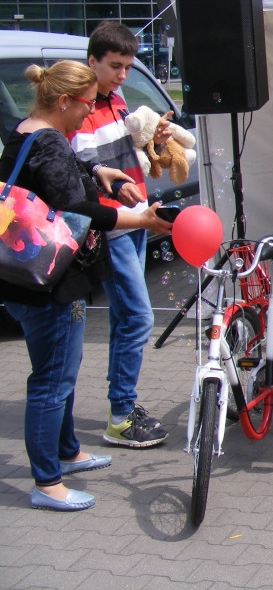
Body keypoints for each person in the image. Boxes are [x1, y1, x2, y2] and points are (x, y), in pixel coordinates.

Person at [0, 61, 171, 511]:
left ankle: (67, 450)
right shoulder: (50, 140)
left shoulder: (27, 130)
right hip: (50, 284)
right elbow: (73, 204)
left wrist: (101, 173)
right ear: (64, 101)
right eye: (87, 103)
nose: (89, 112)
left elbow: (64, 170)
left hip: (24, 275)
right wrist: (142, 220)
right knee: (52, 380)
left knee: (59, 371)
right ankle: (47, 483)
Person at [69, 21, 173, 448]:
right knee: (138, 318)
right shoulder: (79, 108)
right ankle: (120, 414)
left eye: (128, 67)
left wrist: (155, 139)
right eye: (115, 66)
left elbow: (135, 150)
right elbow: (86, 172)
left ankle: (121, 402)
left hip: (135, 219)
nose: (122, 75)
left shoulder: (116, 99)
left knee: (122, 317)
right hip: (111, 227)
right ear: (91, 61)